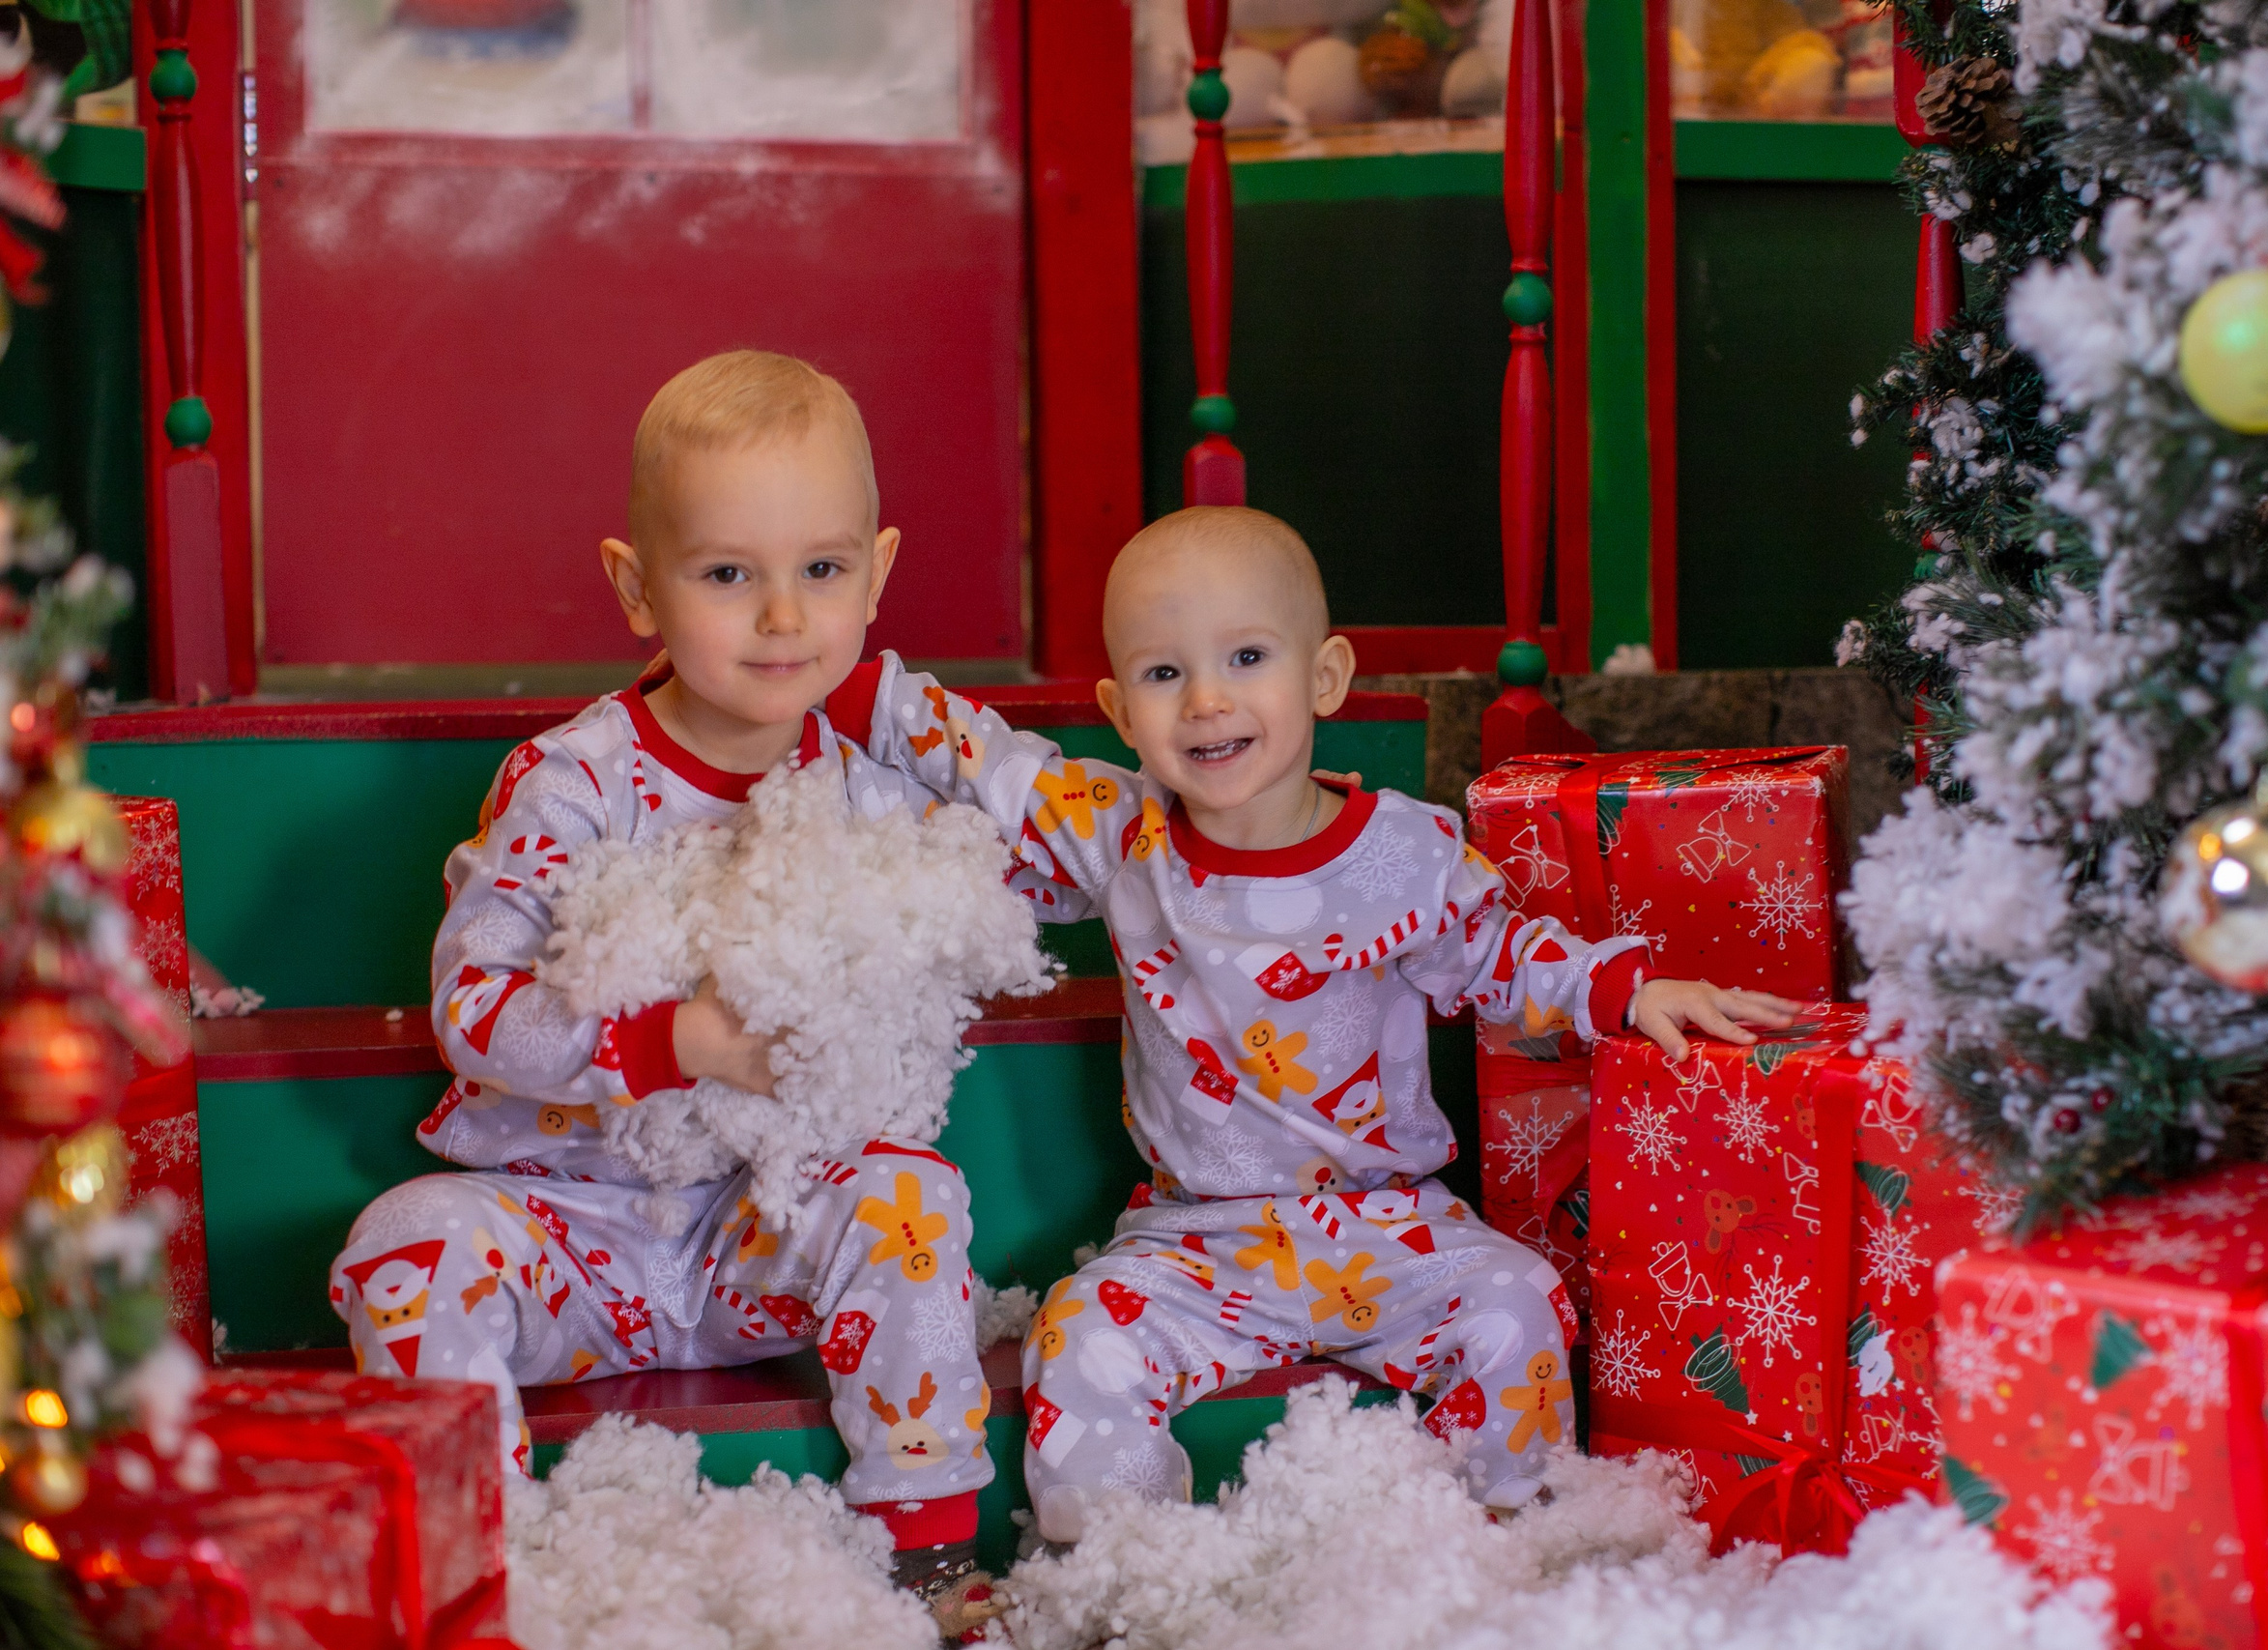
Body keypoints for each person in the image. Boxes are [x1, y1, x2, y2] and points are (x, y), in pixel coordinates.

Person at [851, 505, 1799, 1541]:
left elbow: (1497, 954)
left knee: (1518, 1301)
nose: (1207, 700)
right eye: (1165, 676)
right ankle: (1124, 1576)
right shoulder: (1126, 837)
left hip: (1384, 1218)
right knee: (1077, 1338)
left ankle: (1502, 1552)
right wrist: (864, 689)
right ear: (1121, 712)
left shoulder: (1400, 854)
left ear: (1325, 679)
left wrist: (1620, 992)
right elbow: (1000, 769)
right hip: (1194, 1238)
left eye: (1246, 657)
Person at [328, 351, 1020, 1624]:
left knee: (912, 1197)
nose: (782, 616)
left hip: (755, 1235)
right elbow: (474, 1014)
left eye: (822, 568)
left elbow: (968, 926)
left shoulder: (880, 785)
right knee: (405, 1245)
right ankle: (485, 1561)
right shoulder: (575, 785)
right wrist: (676, 1037)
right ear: (637, 588)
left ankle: (921, 1555)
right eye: (725, 573)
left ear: (877, 570)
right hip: (574, 1230)